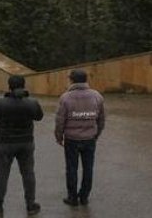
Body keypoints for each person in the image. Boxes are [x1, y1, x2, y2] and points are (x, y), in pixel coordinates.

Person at [0, 75, 43, 216]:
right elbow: (39, 117)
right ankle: (30, 205)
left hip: (4, 143)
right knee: (28, 174)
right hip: (26, 143)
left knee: (1, 175)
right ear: (24, 86)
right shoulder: (32, 103)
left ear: (9, 86)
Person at [55, 70, 106, 207]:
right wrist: (96, 134)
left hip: (71, 139)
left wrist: (59, 137)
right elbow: (101, 119)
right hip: (89, 138)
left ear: (72, 80)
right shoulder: (97, 96)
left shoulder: (65, 98)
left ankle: (72, 198)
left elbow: (60, 120)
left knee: (71, 168)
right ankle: (84, 197)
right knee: (88, 168)